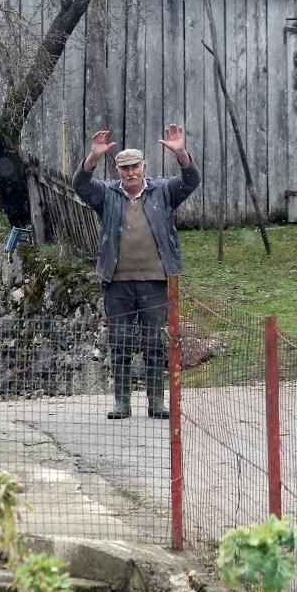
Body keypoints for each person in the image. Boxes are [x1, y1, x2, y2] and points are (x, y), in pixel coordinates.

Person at [72, 125, 200, 419]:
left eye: (135, 167)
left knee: (155, 342)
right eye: (125, 169)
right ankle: (122, 403)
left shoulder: (164, 192)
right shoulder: (106, 195)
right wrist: (92, 158)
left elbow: (191, 181)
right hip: (117, 283)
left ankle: (156, 402)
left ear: (145, 167)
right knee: (120, 341)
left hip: (155, 282)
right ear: (118, 171)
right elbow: (80, 185)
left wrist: (180, 152)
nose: (130, 173)